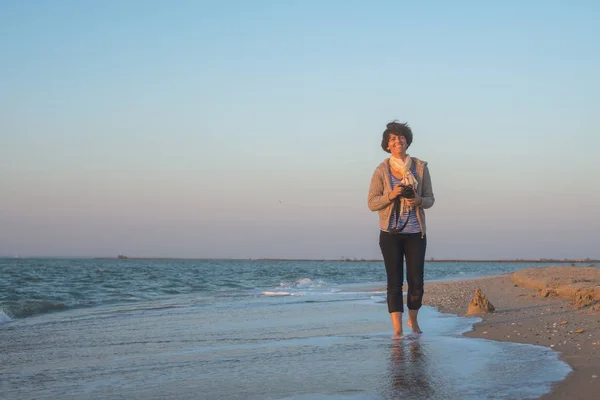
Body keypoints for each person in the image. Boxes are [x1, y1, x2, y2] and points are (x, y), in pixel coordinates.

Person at [368, 121, 435, 338]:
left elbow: (430, 199)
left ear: (407, 141)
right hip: (390, 233)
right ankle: (397, 329)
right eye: (393, 139)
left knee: (416, 281)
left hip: (416, 232)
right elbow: (372, 203)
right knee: (394, 282)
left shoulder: (420, 167)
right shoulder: (381, 170)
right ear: (387, 145)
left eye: (401, 137)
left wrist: (417, 200)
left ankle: (413, 322)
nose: (398, 141)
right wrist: (392, 195)